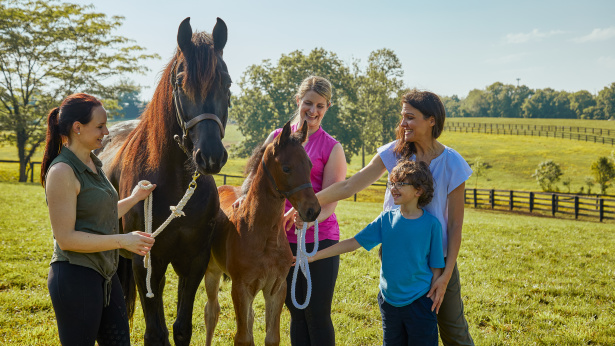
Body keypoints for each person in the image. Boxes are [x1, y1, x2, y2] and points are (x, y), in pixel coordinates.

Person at [290, 89, 474, 345]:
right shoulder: (394, 153)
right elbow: (349, 186)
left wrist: (445, 275)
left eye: (410, 117)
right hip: (398, 257)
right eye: (402, 117)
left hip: (437, 261)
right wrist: (306, 203)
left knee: (453, 330)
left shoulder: (453, 163)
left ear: (431, 120)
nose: (403, 124)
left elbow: (455, 225)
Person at [235, 76, 347, 345]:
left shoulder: (332, 148)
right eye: (308, 103)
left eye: (320, 105)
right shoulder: (276, 137)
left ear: (327, 107)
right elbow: (254, 175)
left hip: (318, 239)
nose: (313, 110)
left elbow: (330, 203)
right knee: (295, 312)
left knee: (317, 313)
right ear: (298, 101)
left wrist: (306, 221)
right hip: (280, 241)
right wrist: (242, 195)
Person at [41, 93, 157, 346]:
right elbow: (66, 238)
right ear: (77, 128)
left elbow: (101, 215)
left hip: (105, 274)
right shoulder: (62, 172)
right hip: (75, 276)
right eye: (100, 126)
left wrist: (135, 198)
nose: (107, 132)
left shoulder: (94, 165)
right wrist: (123, 241)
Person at [305, 160, 445, 346]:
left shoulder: (431, 225)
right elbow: (353, 243)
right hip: (389, 302)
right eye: (392, 183)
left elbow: (436, 266)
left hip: (420, 302)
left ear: (418, 191)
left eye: (401, 184)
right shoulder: (386, 219)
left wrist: (432, 299)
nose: (394, 188)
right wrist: (313, 257)